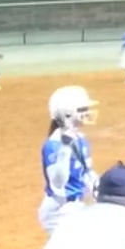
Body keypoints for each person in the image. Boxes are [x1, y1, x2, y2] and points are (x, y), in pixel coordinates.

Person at [40, 86, 99, 233]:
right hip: (58, 210)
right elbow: (58, 184)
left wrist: (101, 190)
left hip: (76, 206)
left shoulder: (80, 139)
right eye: (82, 109)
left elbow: (86, 172)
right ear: (67, 114)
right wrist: (65, 150)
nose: (87, 113)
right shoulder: (54, 145)